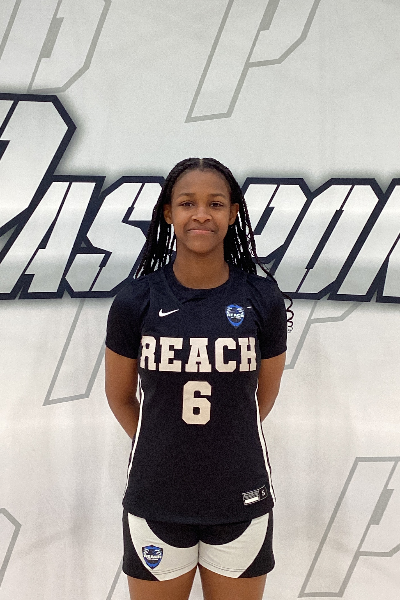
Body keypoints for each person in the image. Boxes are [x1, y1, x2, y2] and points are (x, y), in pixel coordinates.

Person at [105, 157, 292, 600]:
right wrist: (165, 441)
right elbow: (119, 396)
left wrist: (218, 440)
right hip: (156, 496)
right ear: (169, 213)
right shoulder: (135, 299)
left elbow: (262, 398)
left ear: (234, 213)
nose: (202, 214)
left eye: (216, 203)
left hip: (240, 495)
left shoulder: (261, 297)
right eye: (188, 203)